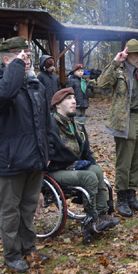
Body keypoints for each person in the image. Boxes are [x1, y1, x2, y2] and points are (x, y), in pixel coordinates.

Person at [0, 37, 54, 273]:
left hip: (34, 160)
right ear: (6, 59)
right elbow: (4, 93)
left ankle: (28, 248)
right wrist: (15, 68)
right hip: (11, 161)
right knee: (11, 212)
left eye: (28, 55)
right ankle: (12, 254)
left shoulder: (35, 86)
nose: (27, 59)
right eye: (20, 55)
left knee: (28, 208)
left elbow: (45, 124)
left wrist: (47, 152)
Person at [47, 87, 119, 232]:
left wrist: (95, 166)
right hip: (54, 171)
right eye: (68, 99)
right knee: (89, 177)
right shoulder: (50, 125)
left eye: (74, 98)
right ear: (57, 105)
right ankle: (91, 219)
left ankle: (101, 215)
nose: (73, 101)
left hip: (73, 167)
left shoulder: (77, 125)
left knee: (96, 171)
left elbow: (87, 152)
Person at [98, 39, 138, 218]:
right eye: (137, 54)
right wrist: (116, 61)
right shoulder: (119, 71)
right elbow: (102, 84)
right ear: (127, 55)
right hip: (125, 119)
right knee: (125, 162)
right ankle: (121, 198)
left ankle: (131, 196)